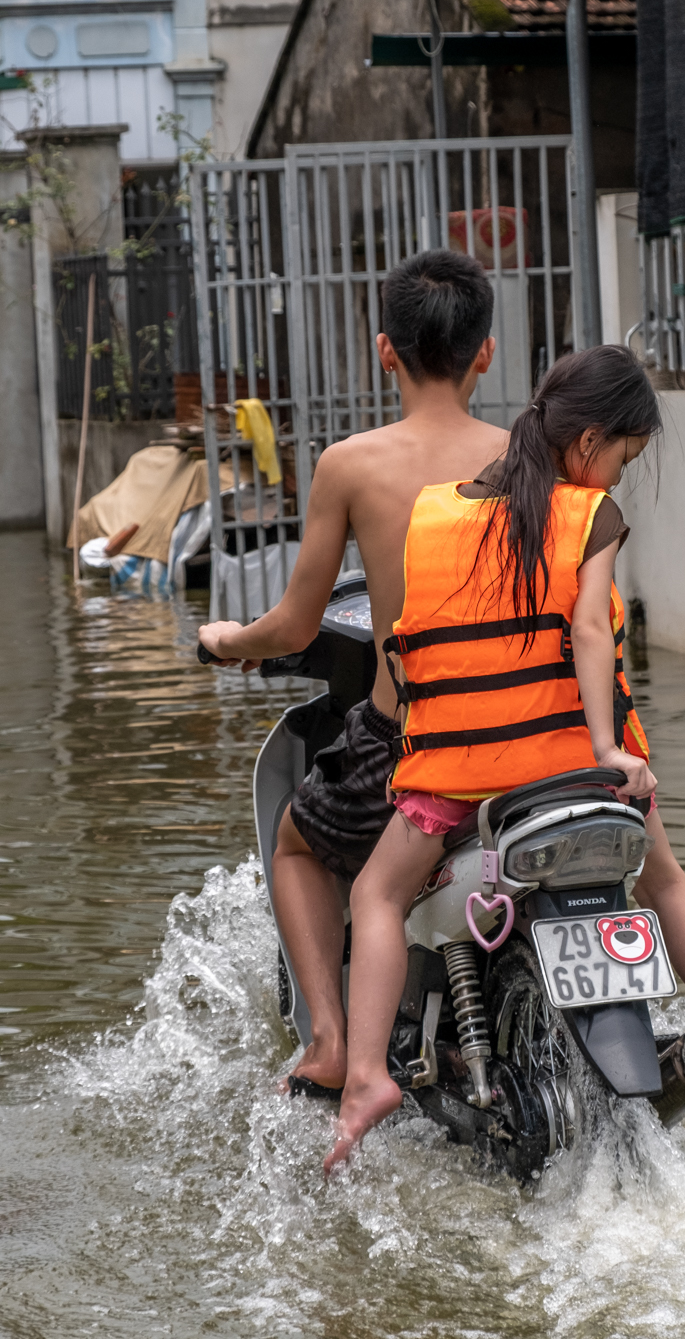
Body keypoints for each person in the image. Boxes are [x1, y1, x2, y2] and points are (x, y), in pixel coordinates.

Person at [320, 344, 685, 1174]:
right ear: (588, 443)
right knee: (665, 878)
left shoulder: (433, 512)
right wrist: (608, 751)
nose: (617, 476)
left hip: (459, 782)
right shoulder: (589, 513)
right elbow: (592, 629)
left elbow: (404, 642)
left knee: (375, 893)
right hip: (579, 773)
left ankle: (362, 1079)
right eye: (622, 458)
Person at [197, 249, 512, 1096]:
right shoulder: (531, 457)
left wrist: (230, 639)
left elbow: (297, 623)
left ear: (385, 351)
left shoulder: (351, 463)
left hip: (411, 741)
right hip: (540, 738)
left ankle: (332, 1039)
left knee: (297, 841)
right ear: (487, 351)